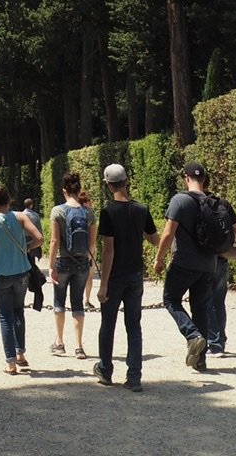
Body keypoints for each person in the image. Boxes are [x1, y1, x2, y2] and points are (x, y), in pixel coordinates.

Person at [93, 163, 160, 392]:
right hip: (135, 274)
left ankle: (105, 369)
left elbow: (108, 250)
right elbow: (154, 239)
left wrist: (103, 284)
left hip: (115, 276)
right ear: (126, 181)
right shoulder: (142, 209)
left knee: (108, 324)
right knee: (133, 326)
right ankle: (134, 376)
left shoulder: (108, 212)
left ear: (108, 185)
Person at [152, 161, 219, 373]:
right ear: (204, 179)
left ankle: (192, 334)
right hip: (209, 264)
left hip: (184, 262)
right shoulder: (213, 202)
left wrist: (159, 259)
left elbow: (168, 233)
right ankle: (201, 360)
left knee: (171, 299)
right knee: (201, 309)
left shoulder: (179, 200)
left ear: (186, 178)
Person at [0, 183, 43, 374]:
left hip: (0, 274)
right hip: (21, 272)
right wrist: (26, 247)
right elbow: (39, 238)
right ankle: (20, 353)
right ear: (9, 200)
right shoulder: (21, 217)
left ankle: (10, 362)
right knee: (18, 311)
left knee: (5, 316)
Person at [48, 171, 97, 360]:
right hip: (82, 263)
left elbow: (54, 241)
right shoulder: (88, 212)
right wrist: (88, 260)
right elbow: (92, 243)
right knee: (77, 302)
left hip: (63, 261)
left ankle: (59, 343)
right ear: (79, 189)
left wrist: (51, 265)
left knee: (59, 301)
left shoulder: (57, 211)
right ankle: (79, 347)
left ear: (64, 191)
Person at [202, 171, 236, 357]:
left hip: (203, 259)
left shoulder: (194, 203)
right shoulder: (223, 204)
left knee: (206, 301)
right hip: (223, 259)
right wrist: (227, 247)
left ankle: (215, 344)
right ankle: (220, 340)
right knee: (219, 302)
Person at [79, 189, 98, 309]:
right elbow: (93, 237)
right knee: (89, 276)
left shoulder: (70, 210)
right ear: (86, 201)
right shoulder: (90, 213)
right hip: (88, 249)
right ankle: (87, 299)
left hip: (74, 249)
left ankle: (77, 299)